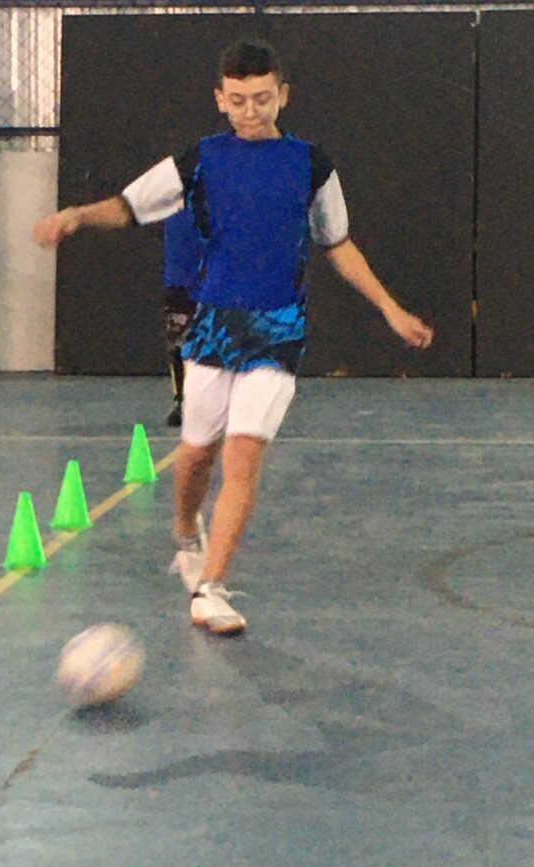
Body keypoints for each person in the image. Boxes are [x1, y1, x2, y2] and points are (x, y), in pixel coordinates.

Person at [33, 38, 433, 637]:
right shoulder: (200, 159)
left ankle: (211, 588)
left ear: (283, 96)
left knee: (243, 455)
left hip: (278, 330)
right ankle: (184, 534)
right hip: (214, 327)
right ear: (220, 99)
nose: (251, 111)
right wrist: (76, 216)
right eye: (239, 100)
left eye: (263, 99)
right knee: (197, 452)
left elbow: (338, 244)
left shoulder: (311, 165)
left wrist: (390, 309)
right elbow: (128, 206)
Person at [163, 207, 203, 426]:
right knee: (178, 342)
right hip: (179, 276)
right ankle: (182, 399)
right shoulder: (170, 194)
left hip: (217, 276)